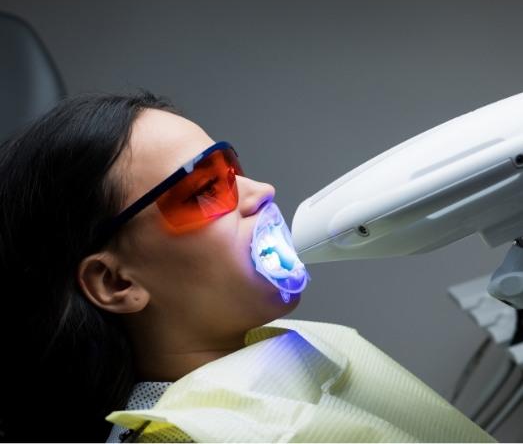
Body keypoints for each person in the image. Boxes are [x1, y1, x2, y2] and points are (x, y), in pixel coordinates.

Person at [0, 92, 493, 443]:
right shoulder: (180, 438)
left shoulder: (301, 347)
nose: (261, 192)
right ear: (116, 281)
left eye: (232, 169)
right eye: (205, 189)